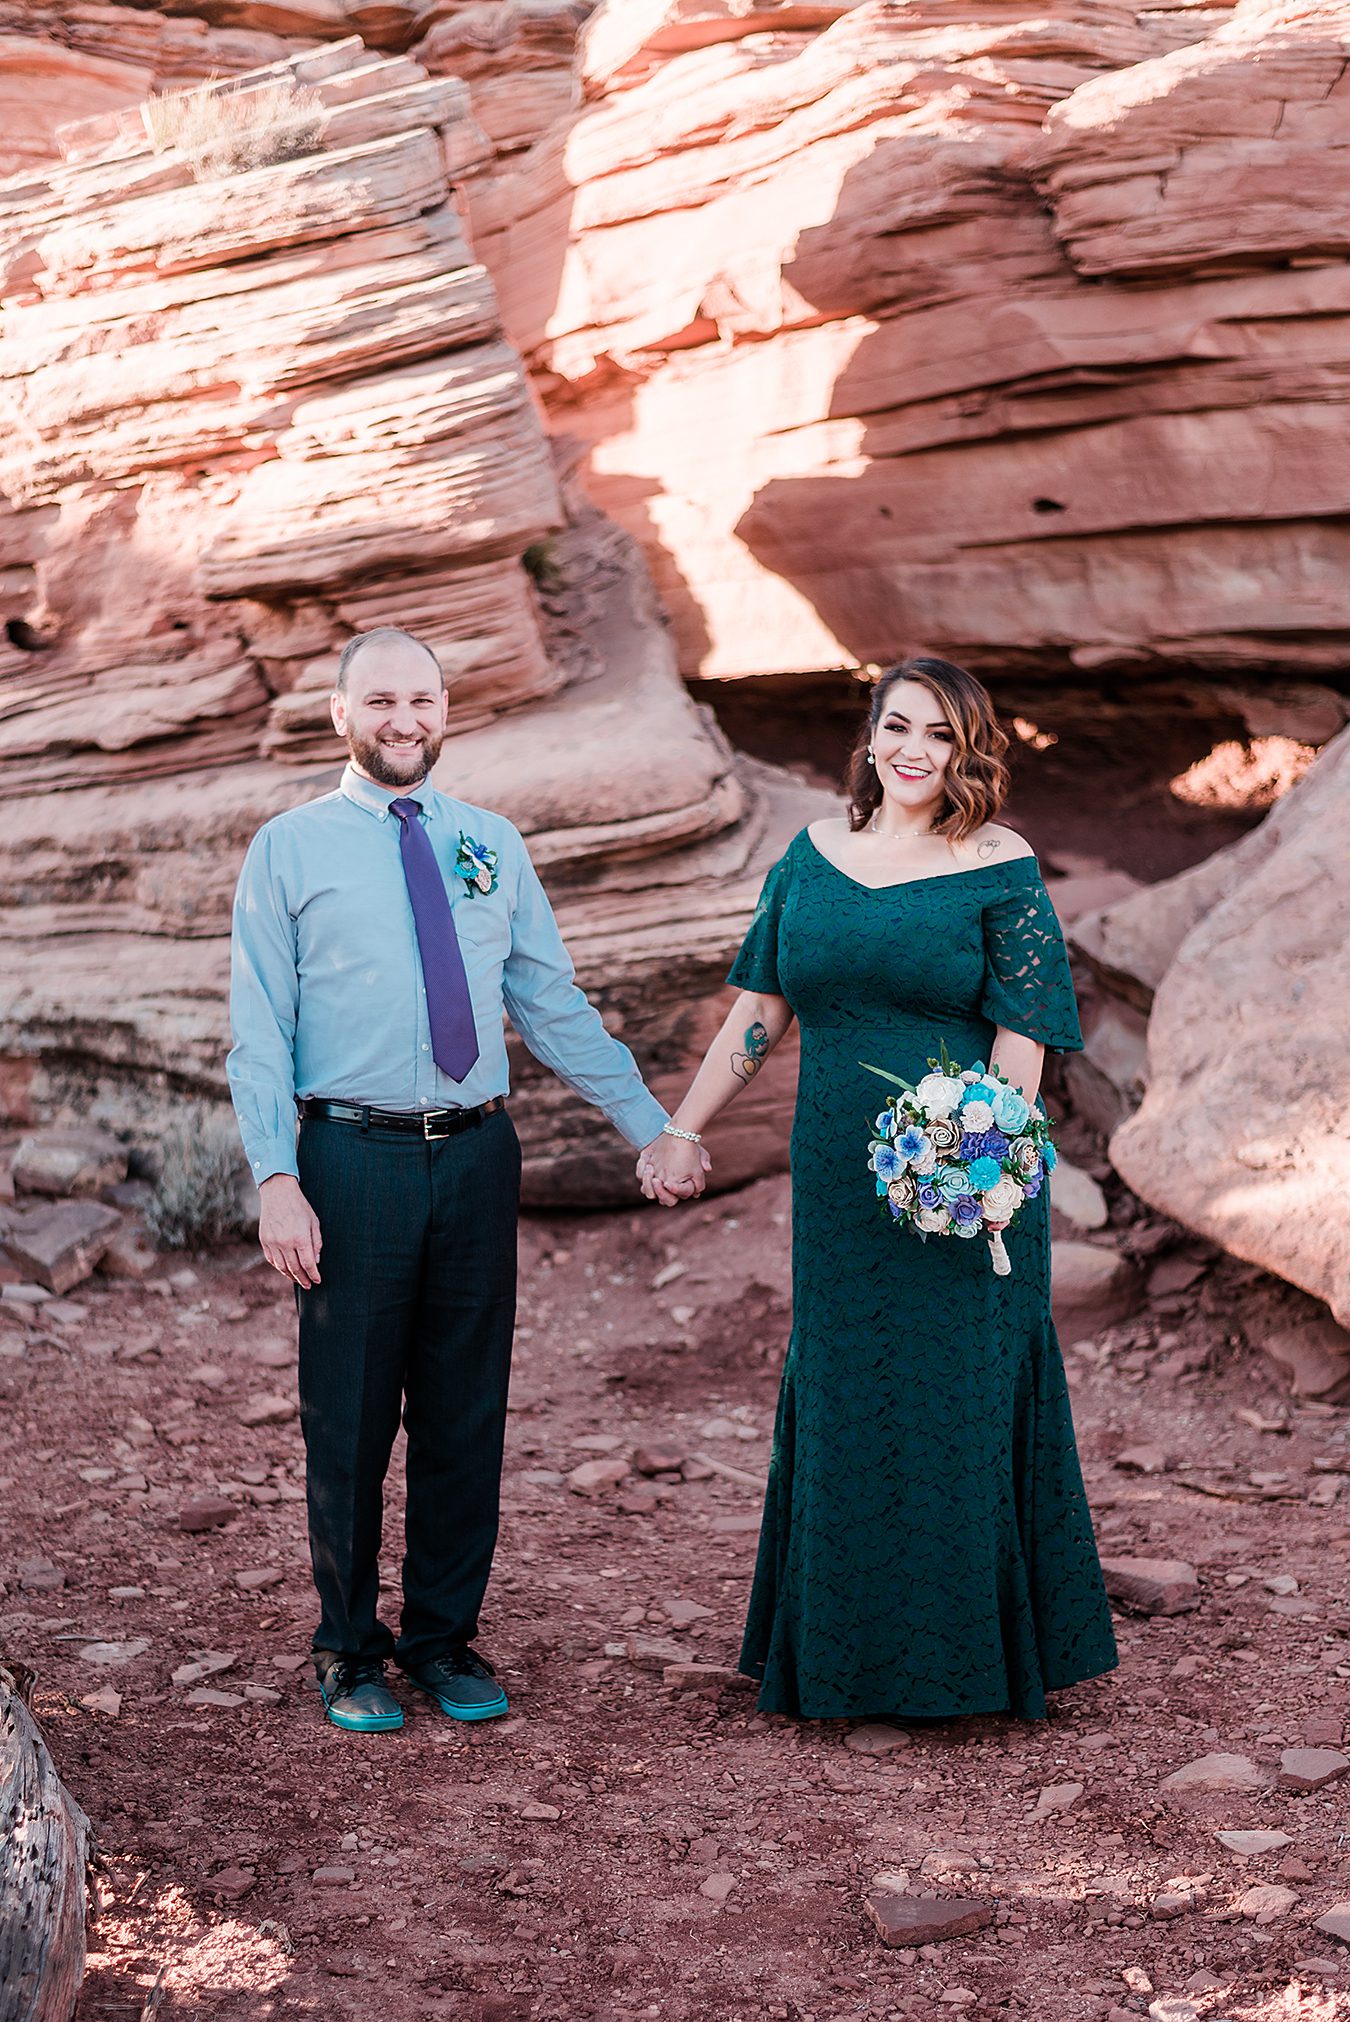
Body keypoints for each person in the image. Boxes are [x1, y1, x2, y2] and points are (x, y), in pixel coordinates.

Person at [228, 625, 707, 1734]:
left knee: (463, 1411)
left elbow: (551, 1002)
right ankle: (347, 1648)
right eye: (383, 701)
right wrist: (275, 1177)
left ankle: (443, 1639)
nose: (406, 721)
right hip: (349, 1158)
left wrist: (652, 1124)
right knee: (346, 1418)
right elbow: (258, 1032)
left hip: (480, 1157)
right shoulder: (287, 849)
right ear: (342, 715)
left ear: (448, 712)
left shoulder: (490, 841)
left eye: (426, 701)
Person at [639, 657, 1117, 1721]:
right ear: (868, 736)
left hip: (965, 1185)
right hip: (840, 1189)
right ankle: (847, 1660)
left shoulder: (1001, 865)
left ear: (968, 752)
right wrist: (682, 1128)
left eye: (940, 735)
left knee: (959, 1402)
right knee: (853, 1399)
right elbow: (759, 1017)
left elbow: (1026, 1040)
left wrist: (979, 1165)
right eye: (898, 726)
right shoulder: (807, 862)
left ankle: (968, 1669)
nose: (914, 750)